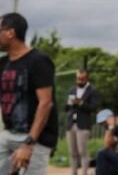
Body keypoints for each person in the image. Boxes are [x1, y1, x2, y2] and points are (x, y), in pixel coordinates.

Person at [0, 12, 58, 175]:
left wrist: (28, 144)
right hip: (8, 134)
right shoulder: (3, 64)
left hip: (34, 137)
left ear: (10, 33)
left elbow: (46, 103)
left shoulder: (38, 61)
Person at [65, 69, 100, 175]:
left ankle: (84, 172)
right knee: (72, 152)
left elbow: (94, 107)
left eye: (82, 79)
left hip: (83, 125)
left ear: (86, 78)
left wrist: (81, 103)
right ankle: (73, 172)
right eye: (78, 78)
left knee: (82, 151)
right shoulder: (72, 90)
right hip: (71, 123)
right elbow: (65, 108)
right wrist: (69, 103)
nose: (79, 81)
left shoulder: (92, 91)